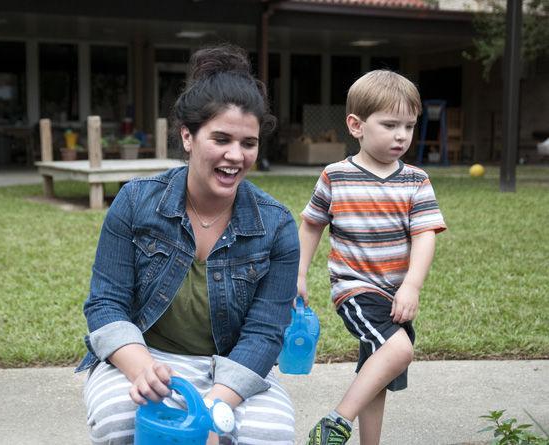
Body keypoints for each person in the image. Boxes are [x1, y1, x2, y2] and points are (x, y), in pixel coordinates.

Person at [77, 44, 300, 445]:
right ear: (187, 136)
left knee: (270, 433)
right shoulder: (135, 201)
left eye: (248, 143)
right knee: (119, 421)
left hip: (230, 369)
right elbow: (104, 304)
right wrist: (143, 368)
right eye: (221, 138)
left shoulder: (277, 225)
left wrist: (214, 405)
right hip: (144, 355)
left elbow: (265, 334)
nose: (236, 155)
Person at [297, 70, 447, 445]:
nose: (401, 135)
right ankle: (334, 424)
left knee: (375, 372)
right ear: (356, 125)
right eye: (390, 124)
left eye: (410, 126)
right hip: (355, 288)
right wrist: (299, 275)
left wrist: (411, 286)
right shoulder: (336, 176)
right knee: (398, 350)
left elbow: (425, 235)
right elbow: (312, 225)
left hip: (395, 293)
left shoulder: (416, 180)